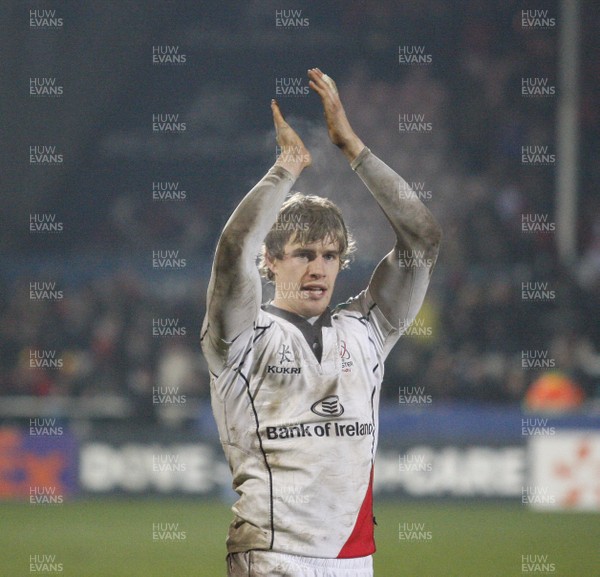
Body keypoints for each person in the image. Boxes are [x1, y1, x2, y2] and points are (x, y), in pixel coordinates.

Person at [201, 68, 442, 577]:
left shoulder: (367, 330)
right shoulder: (242, 338)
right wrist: (286, 168)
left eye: (331, 256)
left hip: (355, 560)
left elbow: (421, 240)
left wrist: (352, 148)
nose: (318, 268)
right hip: (272, 557)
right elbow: (232, 251)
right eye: (303, 254)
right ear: (270, 261)